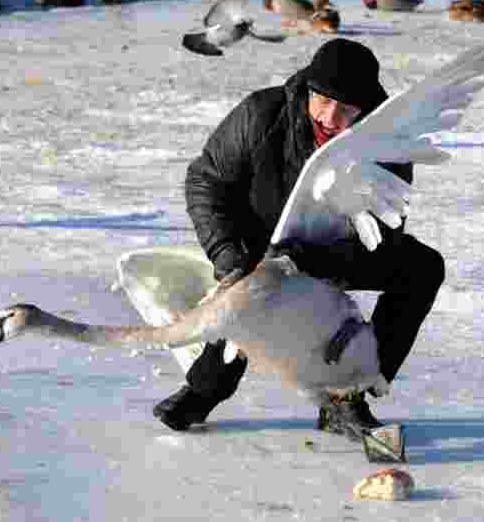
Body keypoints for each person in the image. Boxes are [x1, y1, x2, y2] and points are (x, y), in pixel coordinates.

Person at [153, 38, 446, 432]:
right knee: (252, 288)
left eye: (346, 108)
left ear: (367, 108)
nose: (329, 116)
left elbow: (385, 228)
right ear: (308, 87)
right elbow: (206, 182)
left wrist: (315, 264)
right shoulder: (261, 114)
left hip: (337, 249)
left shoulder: (386, 141)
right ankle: (205, 389)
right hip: (259, 239)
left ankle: (350, 395)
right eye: (322, 100)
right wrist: (226, 254)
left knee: (422, 269)